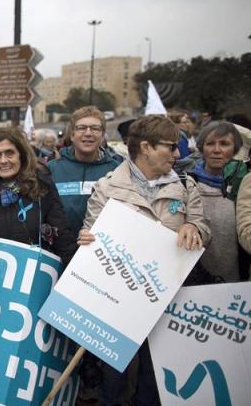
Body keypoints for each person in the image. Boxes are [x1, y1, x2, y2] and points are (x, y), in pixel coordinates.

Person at [78, 115, 210, 405]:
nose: (177, 154)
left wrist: (193, 228)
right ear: (146, 147)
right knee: (114, 375)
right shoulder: (107, 187)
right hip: (120, 300)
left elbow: (202, 226)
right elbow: (91, 234)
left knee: (154, 376)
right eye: (170, 147)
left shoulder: (185, 185)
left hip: (166, 299)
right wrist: (86, 240)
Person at [0, 127, 77, 265]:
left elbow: (62, 236)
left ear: (21, 155)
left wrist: (74, 275)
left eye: (9, 153)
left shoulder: (42, 187)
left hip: (33, 276)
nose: (3, 160)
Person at [47, 106, 120, 237]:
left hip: (101, 250)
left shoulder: (117, 171)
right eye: (81, 128)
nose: (88, 133)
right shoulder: (51, 169)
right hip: (60, 251)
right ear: (72, 134)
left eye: (95, 128)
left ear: (103, 135)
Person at [186, 121, 245, 282]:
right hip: (194, 286)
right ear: (202, 148)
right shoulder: (187, 184)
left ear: (235, 149)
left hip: (239, 285)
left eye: (224, 144)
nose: (217, 150)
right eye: (210, 143)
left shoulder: (244, 188)